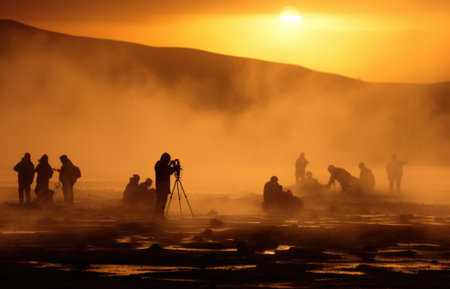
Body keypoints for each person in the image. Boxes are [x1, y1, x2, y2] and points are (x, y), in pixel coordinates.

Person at [154, 153, 176, 218]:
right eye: (168, 160)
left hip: (162, 187)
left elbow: (168, 171)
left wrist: (171, 166)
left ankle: (160, 215)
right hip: (161, 187)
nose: (168, 161)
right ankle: (158, 215)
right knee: (161, 202)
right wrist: (174, 167)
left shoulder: (160, 164)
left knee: (162, 202)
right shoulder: (159, 164)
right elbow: (168, 171)